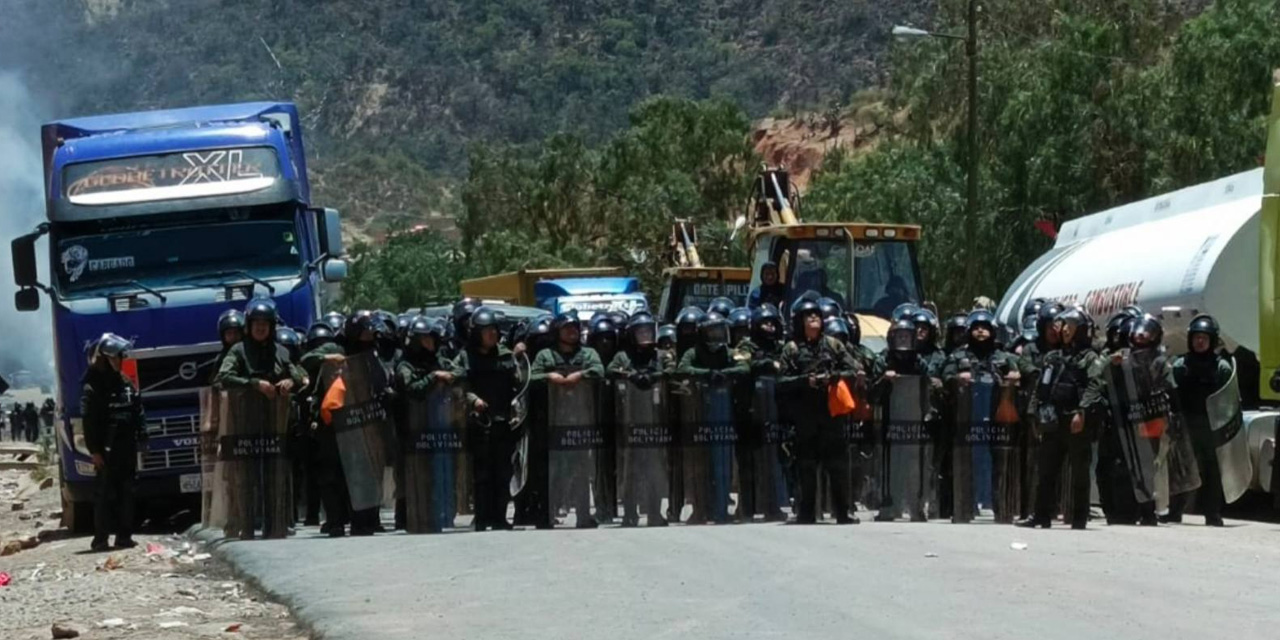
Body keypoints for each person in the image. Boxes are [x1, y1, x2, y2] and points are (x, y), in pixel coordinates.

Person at [215, 299, 308, 539]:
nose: (260, 328)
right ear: (249, 325)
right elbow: (224, 377)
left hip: (275, 424)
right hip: (244, 423)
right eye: (256, 323)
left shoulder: (281, 351)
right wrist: (254, 384)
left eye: (265, 324)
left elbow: (300, 375)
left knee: (275, 475)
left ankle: (276, 524)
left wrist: (291, 381)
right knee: (246, 479)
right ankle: (245, 527)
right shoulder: (238, 351)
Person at [1019, 308, 1103, 530]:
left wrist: (1081, 412)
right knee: (1046, 470)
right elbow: (1041, 387)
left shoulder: (1089, 358)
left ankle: (1079, 518)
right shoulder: (1053, 357)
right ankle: (1040, 516)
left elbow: (1095, 386)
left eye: (1071, 326)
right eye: (1064, 325)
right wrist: (1034, 413)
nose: (1065, 330)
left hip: (1075, 420)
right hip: (1053, 421)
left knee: (1079, 473)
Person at [780, 295, 861, 524]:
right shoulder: (792, 349)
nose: (814, 318)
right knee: (806, 465)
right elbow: (782, 381)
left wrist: (832, 377)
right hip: (805, 415)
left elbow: (853, 370)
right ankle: (806, 512)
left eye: (816, 314)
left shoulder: (834, 345)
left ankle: (842, 512)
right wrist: (805, 381)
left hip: (830, 414)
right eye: (808, 315)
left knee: (837, 464)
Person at [941, 309, 1022, 521]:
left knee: (998, 464)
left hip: (996, 417)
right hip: (966, 417)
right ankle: (965, 509)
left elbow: (1016, 373)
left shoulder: (1003, 356)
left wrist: (1013, 376)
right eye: (976, 328)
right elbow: (944, 375)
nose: (980, 332)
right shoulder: (959, 355)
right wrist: (958, 378)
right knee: (966, 464)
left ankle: (1000, 508)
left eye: (985, 328)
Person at [530, 312, 605, 528]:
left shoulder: (588, 353)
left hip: (580, 420)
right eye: (567, 328)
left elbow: (599, 370)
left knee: (582, 470)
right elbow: (531, 377)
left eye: (575, 327)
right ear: (557, 331)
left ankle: (583, 515)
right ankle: (548, 515)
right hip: (552, 421)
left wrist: (580, 375)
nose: (572, 331)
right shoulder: (546, 355)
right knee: (553, 471)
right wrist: (548, 377)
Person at [677, 312, 749, 524]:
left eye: (721, 329)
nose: (718, 334)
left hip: (724, 411)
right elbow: (683, 368)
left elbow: (744, 366)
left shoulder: (730, 351)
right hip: (699, 411)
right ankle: (700, 509)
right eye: (713, 330)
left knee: (722, 463)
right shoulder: (693, 351)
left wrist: (725, 373)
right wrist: (706, 373)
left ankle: (721, 508)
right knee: (700, 463)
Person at [607, 311, 674, 527]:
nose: (645, 334)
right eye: (640, 331)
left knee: (654, 467)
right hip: (629, 420)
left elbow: (673, 369)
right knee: (630, 468)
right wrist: (630, 375)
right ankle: (629, 512)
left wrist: (656, 375)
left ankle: (654, 511)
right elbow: (610, 370)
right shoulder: (623, 356)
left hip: (655, 420)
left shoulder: (661, 355)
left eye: (648, 330)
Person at [81, 333, 145, 551]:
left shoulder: (126, 383)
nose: (118, 362)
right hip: (106, 451)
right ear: (104, 359)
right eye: (114, 358)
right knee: (104, 495)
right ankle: (100, 539)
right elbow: (89, 423)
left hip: (126, 448)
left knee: (128, 493)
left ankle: (124, 537)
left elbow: (138, 410)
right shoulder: (93, 389)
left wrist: (143, 434)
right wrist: (95, 451)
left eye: (120, 357)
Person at [1168, 315, 1232, 527]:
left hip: (1210, 427)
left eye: (1204, 338)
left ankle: (1212, 514)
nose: (1200, 342)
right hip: (1186, 424)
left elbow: (1229, 400)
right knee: (1182, 469)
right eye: (1196, 337)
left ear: (1212, 340)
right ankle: (1175, 511)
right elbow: (1170, 395)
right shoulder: (1180, 365)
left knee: (1212, 471)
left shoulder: (1222, 367)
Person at [734, 303, 788, 522]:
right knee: (749, 461)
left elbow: (786, 365)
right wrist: (767, 363)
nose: (769, 327)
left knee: (774, 459)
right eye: (764, 323)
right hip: (750, 410)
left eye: (772, 323)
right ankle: (746, 508)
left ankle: (772, 505)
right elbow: (744, 365)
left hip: (775, 410)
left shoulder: (781, 346)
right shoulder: (746, 345)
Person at [212, 309, 246, 384]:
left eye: (236, 332)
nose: (233, 336)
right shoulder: (221, 358)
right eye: (229, 333)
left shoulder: (250, 353)